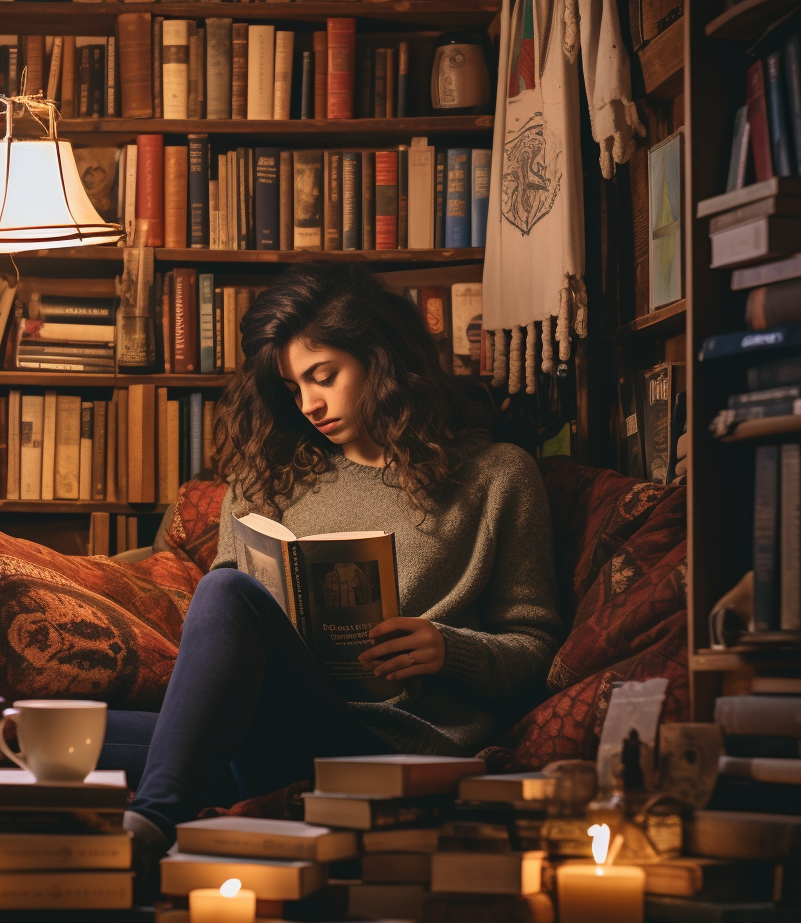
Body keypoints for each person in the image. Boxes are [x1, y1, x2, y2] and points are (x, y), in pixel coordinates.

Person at [101, 263, 565, 886]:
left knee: (224, 591)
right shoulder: (270, 475)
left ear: (384, 359)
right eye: (294, 388)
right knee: (38, 732)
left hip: (387, 748)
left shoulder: (496, 477)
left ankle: (152, 823)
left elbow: (536, 647)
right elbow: (219, 635)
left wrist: (446, 649)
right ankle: (170, 794)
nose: (309, 404)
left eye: (324, 377)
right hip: (268, 729)